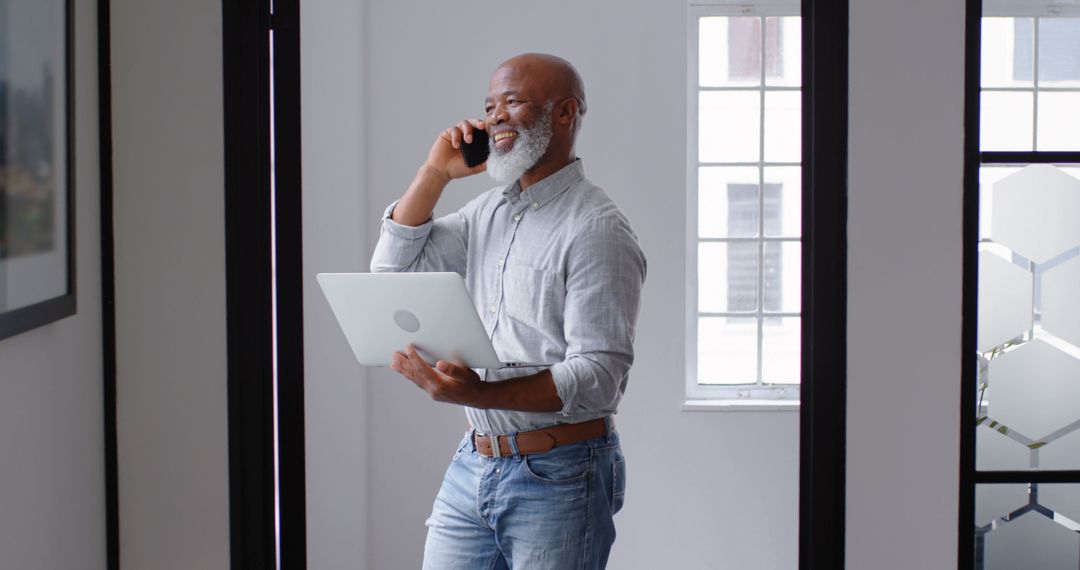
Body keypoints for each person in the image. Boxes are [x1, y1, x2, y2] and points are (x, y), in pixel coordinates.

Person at [370, 52, 646, 570]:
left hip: (561, 475)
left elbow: (599, 376)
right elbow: (393, 272)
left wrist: (479, 392)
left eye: (512, 102)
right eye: (489, 105)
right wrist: (434, 173)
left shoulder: (597, 228)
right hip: (474, 462)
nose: (494, 117)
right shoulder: (487, 212)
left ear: (565, 113)